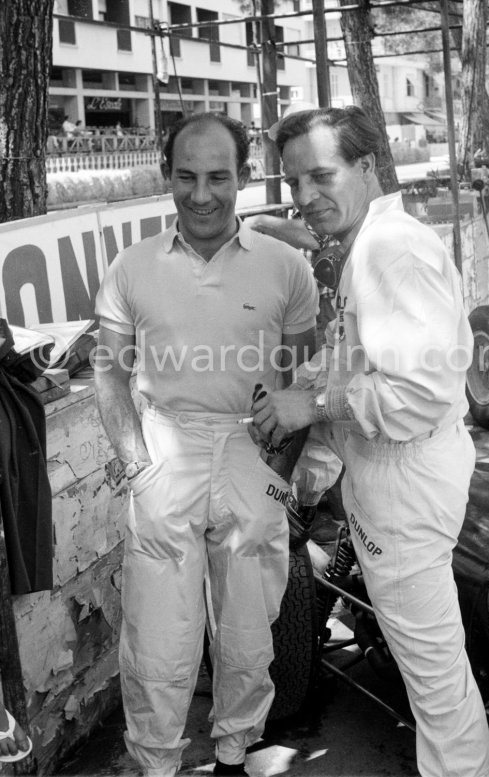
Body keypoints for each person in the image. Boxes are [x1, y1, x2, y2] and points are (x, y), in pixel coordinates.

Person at [250, 106, 489, 777]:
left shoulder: (390, 249)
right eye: (294, 181)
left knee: (437, 687)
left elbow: (414, 395)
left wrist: (311, 403)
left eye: (321, 174)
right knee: (431, 676)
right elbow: (369, 362)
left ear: (367, 166)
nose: (305, 196)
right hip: (392, 479)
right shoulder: (371, 244)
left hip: (404, 486)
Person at [94, 112, 317, 777]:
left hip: (255, 453)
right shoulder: (133, 267)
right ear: (167, 175)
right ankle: (157, 761)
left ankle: (233, 751)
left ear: (244, 177)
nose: (201, 194)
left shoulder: (286, 267)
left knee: (250, 630)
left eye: (218, 176)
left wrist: (282, 475)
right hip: (166, 448)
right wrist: (136, 463)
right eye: (186, 176)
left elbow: (305, 374)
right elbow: (108, 367)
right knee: (159, 636)